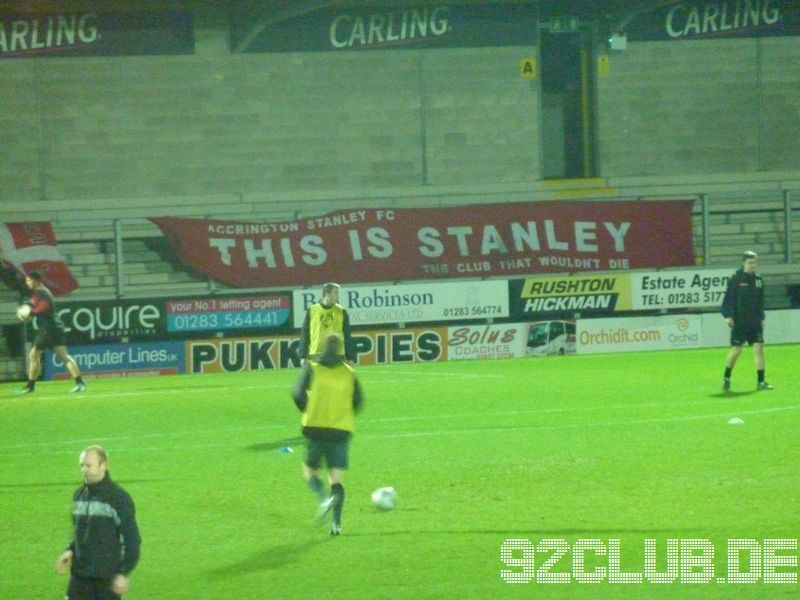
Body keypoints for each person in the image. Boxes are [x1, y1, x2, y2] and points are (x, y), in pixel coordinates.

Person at [292, 333, 364, 536]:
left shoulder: (313, 368)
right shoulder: (349, 373)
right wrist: (343, 415)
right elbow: (358, 401)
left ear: (323, 347)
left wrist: (307, 409)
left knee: (309, 472)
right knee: (336, 479)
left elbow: (297, 393)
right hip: (340, 430)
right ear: (340, 349)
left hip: (316, 428)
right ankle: (337, 525)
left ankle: (323, 498)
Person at [56, 445, 141, 599]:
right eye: (82, 465)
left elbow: (132, 540)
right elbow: (79, 532)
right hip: (79, 578)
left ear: (104, 466)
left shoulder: (119, 498)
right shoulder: (79, 495)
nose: (84, 469)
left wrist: (124, 572)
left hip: (106, 580)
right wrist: (70, 550)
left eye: (89, 465)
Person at [16, 270, 86, 394]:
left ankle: (30, 386)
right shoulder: (41, 291)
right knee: (64, 356)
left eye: (28, 280)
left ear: (35, 280)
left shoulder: (40, 291)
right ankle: (80, 383)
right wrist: (28, 308)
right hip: (56, 327)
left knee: (34, 355)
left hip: (48, 328)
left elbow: (45, 305)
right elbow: (36, 304)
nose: (27, 282)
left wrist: (31, 312)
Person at [721, 250, 772, 391]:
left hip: (755, 321)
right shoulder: (736, 278)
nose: (753, 265)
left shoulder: (759, 280)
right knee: (737, 350)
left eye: (755, 262)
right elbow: (729, 299)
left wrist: (761, 317)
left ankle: (761, 382)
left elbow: (760, 300)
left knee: (759, 349)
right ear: (743, 263)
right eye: (750, 262)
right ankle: (726, 378)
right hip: (740, 321)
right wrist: (728, 315)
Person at [298, 282, 355, 366]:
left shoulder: (342, 311)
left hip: (337, 353)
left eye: (338, 293)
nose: (338, 295)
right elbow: (305, 333)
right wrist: (303, 356)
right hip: (316, 353)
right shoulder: (312, 310)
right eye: (336, 293)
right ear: (327, 294)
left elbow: (347, 335)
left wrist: (350, 357)